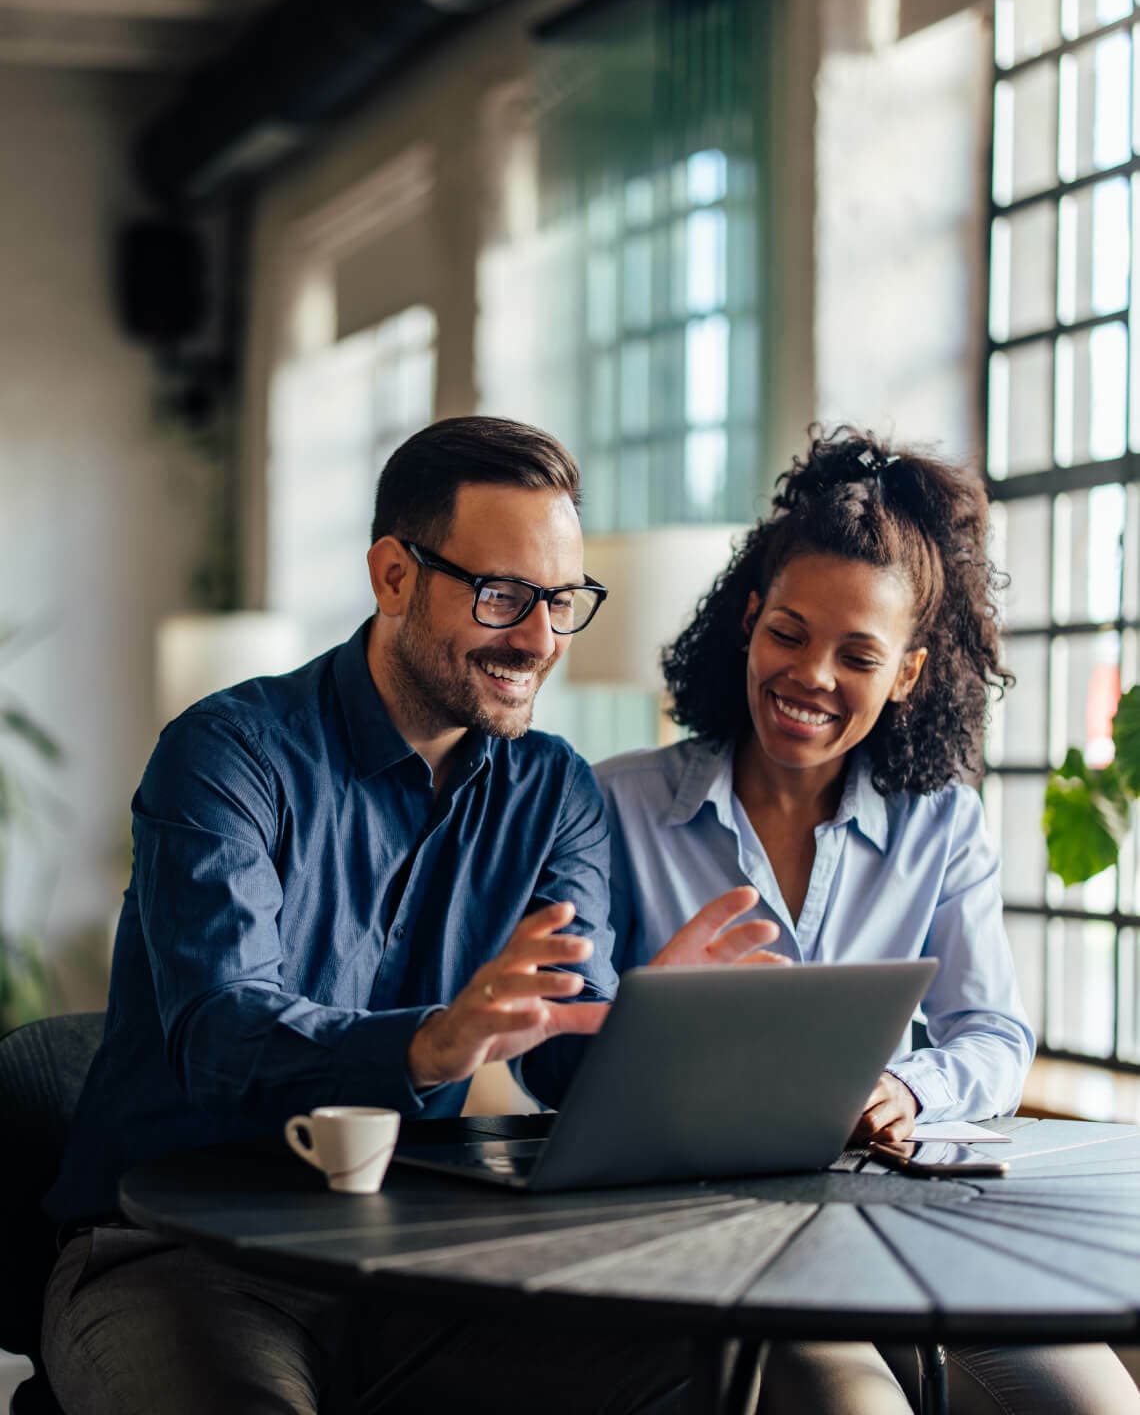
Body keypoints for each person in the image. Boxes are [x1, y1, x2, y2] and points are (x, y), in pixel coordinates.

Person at [40, 415, 784, 1415]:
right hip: (170, 1252)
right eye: (503, 595)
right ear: (394, 576)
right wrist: (431, 1047)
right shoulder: (229, 756)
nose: (539, 640)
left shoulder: (553, 790)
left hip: (412, 1255)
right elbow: (219, 1033)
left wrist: (650, 1027)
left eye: (563, 601)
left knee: (738, 1375)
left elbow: (561, 1049)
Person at [595, 426, 1140, 1415]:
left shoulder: (943, 825)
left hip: (896, 1207)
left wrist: (905, 1086)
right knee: (856, 1406)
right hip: (702, 1225)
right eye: (790, 634)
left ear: (907, 675)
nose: (811, 677)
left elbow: (994, 1034)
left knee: (1100, 1402)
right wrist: (644, 1013)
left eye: (859, 655)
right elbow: (559, 1055)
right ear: (749, 623)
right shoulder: (618, 806)